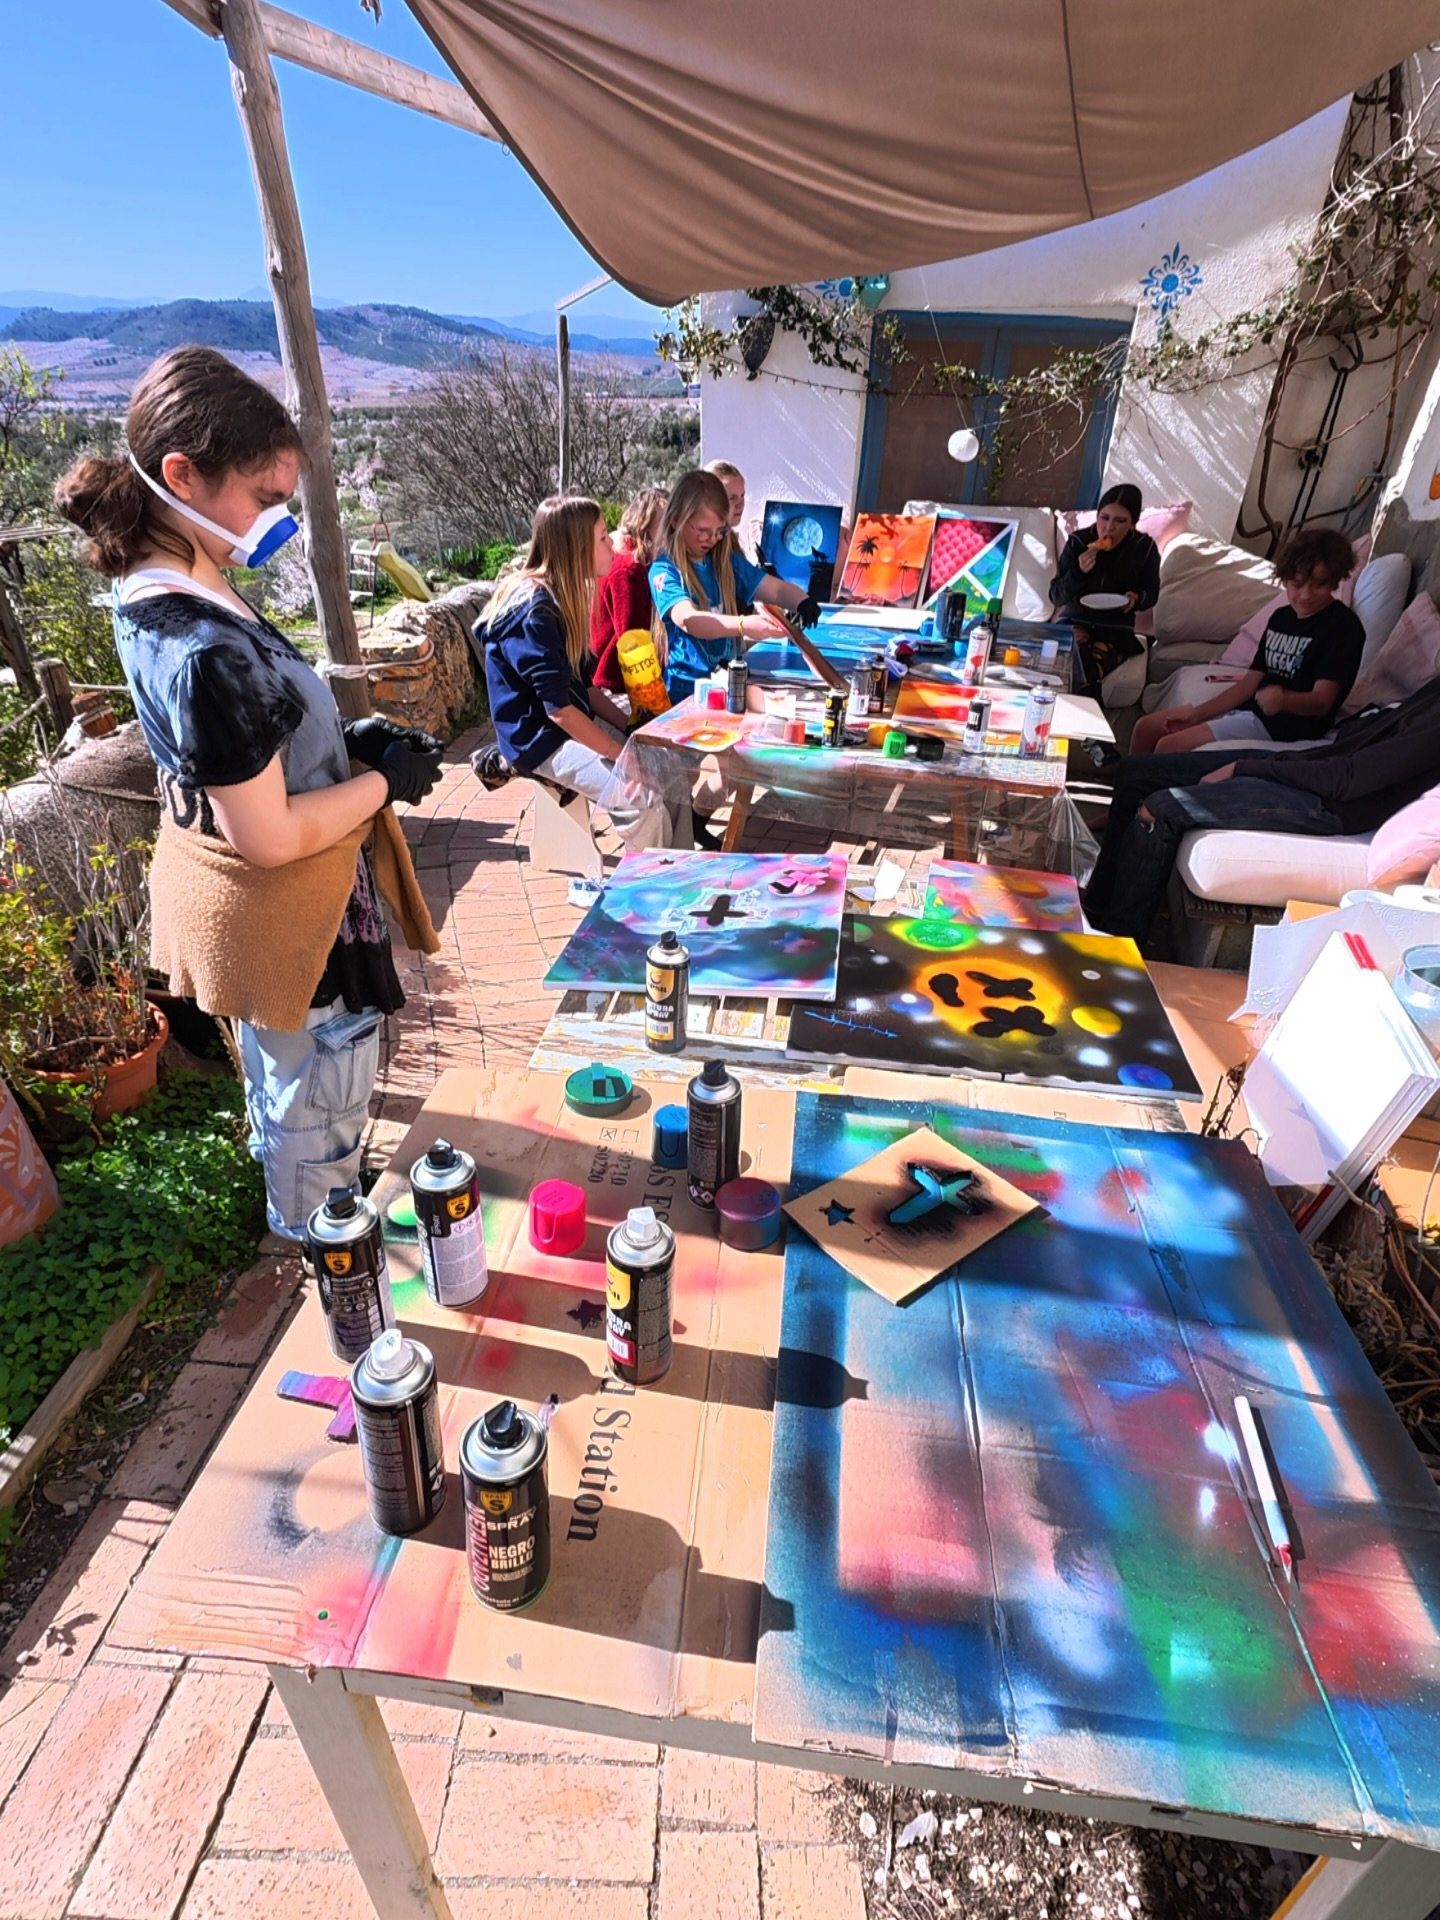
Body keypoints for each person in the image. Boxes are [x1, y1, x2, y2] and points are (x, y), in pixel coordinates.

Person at [53, 345, 443, 1242]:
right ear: (180, 475)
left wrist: (342, 746)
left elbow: (238, 753)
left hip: (272, 937)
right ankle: (322, 1248)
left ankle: (313, 1198)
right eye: (264, 497)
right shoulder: (199, 647)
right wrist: (381, 781)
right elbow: (266, 835)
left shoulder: (178, 581)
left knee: (289, 1098)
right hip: (297, 934)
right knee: (316, 1121)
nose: (278, 522)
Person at [1082, 675, 1440, 945]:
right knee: (1135, 771)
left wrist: (1248, 768)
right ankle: (1095, 905)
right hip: (1314, 767)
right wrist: (1276, 761)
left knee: (1161, 808)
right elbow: (1346, 749)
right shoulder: (1433, 687)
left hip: (1330, 804)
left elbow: (1350, 780)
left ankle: (1119, 940)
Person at [471, 494, 672, 849]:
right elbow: (560, 711)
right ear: (576, 549)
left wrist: (631, 730)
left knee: (660, 765)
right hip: (540, 740)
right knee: (641, 799)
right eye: (602, 538)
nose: (612, 544)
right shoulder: (534, 612)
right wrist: (620, 754)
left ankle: (677, 866)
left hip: (568, 721)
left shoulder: (566, 594)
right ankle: (648, 878)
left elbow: (587, 688)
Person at [1129, 529, 1361, 755]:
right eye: (1297, 584)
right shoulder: (1281, 618)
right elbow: (1248, 684)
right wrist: (1197, 714)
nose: (1306, 595)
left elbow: (1322, 701)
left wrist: (1284, 700)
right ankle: (1125, 782)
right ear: (1285, 580)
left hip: (1286, 729)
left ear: (1334, 582)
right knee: (1146, 727)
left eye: (1319, 585)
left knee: (1169, 745)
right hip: (1253, 712)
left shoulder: (1342, 627)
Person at [650, 470, 820, 702]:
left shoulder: (726, 561)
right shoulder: (664, 570)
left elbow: (774, 589)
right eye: (703, 531)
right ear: (675, 520)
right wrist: (743, 625)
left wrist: (802, 601)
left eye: (719, 532)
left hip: (729, 685)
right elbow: (689, 620)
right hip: (686, 692)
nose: (712, 539)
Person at [1049, 484, 1161, 693]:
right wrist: (1078, 572)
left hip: (1115, 628)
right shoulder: (1079, 542)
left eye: (1120, 521)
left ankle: (1084, 706)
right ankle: (1092, 708)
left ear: (1132, 523)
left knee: (1091, 664)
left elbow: (1152, 593)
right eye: (1104, 517)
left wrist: (1137, 598)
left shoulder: (1144, 548)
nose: (1109, 527)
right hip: (1076, 620)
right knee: (1078, 652)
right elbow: (1056, 596)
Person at [590, 486, 667, 694]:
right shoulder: (627, 569)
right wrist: (652, 699)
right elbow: (633, 641)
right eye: (665, 522)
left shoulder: (643, 561)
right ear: (644, 522)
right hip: (617, 684)